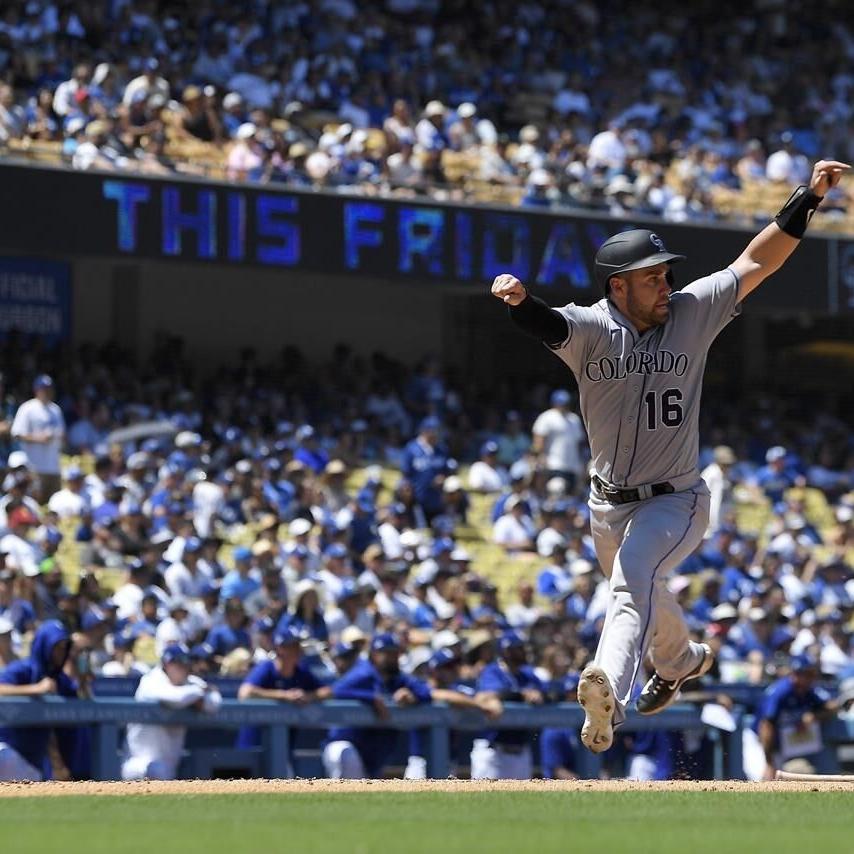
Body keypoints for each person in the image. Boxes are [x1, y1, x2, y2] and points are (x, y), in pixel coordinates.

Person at [491, 158, 849, 753]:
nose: (664, 284)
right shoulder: (589, 329)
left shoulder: (692, 310)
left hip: (676, 498)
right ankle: (681, 659)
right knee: (648, 590)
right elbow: (547, 324)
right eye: (651, 277)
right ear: (618, 286)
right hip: (606, 506)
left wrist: (807, 198)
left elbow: (756, 260)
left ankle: (607, 686)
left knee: (631, 586)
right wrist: (519, 303)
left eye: (664, 274)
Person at [323, 633, 432, 779]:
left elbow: (426, 692)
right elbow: (334, 691)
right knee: (346, 756)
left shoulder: (399, 679)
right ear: (374, 654)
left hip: (374, 751)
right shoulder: (364, 673)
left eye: (395, 653)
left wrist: (413, 697)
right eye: (387, 653)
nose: (393, 657)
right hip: (346, 744)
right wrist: (370, 697)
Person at [122, 644, 222, 781]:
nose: (184, 668)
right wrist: (200, 693)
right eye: (179, 663)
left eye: (186, 663)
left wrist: (197, 694)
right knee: (157, 769)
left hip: (170, 767)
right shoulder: (150, 680)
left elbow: (214, 703)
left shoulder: (189, 683)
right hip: (137, 763)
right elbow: (175, 698)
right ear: (166, 663)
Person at [0, 620, 81, 781]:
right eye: (57, 647)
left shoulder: (61, 680)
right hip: (7, 748)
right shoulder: (22, 669)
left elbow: (80, 706)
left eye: (65, 647)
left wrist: (83, 682)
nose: (61, 652)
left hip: (32, 764)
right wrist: (35, 689)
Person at [471, 631, 544, 779]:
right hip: (493, 750)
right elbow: (485, 696)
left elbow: (546, 692)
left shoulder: (527, 674)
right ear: (506, 651)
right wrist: (520, 694)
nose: (523, 652)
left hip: (522, 750)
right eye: (518, 648)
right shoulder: (493, 671)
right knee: (484, 800)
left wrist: (539, 695)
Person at [756, 655, 838, 781]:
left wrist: (815, 716)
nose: (805, 678)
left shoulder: (809, 691)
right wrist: (769, 762)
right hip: (761, 741)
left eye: (808, 675)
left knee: (799, 775)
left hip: (787, 745)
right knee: (760, 778)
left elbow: (833, 707)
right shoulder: (780, 692)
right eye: (800, 674)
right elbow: (766, 727)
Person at [10, 374, 65, 503]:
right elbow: (17, 433)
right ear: (36, 389)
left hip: (54, 467)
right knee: (35, 503)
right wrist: (38, 438)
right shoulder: (28, 408)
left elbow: (62, 433)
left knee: (52, 505)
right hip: (34, 467)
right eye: (43, 388)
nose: (47, 392)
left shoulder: (55, 409)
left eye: (49, 388)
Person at [531, 390, 586, 494]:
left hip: (572, 466)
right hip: (553, 464)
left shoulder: (574, 419)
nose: (563, 406)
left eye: (565, 403)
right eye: (561, 403)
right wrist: (540, 457)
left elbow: (579, 443)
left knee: (573, 496)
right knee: (556, 489)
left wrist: (581, 463)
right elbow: (538, 440)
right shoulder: (546, 417)